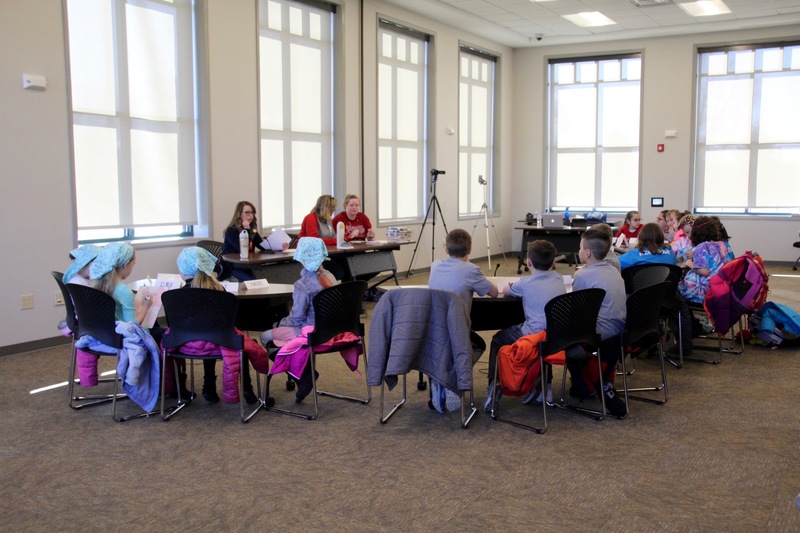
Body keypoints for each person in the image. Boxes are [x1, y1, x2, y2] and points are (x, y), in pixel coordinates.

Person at [485, 240, 565, 411]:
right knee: (544, 342)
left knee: (498, 340)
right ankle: (545, 388)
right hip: (556, 336)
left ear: (528, 263)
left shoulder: (525, 284)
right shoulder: (558, 279)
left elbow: (506, 290)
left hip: (531, 335)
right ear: (553, 262)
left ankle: (494, 387)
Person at [175, 246, 262, 404]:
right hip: (218, 342)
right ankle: (247, 388)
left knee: (205, 337)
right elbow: (227, 323)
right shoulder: (219, 290)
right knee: (237, 340)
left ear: (183, 270)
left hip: (188, 344)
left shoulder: (179, 295)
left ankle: (209, 385)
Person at [260, 237, 338, 402]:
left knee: (265, 337)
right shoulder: (330, 277)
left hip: (309, 332)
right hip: (331, 330)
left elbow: (296, 319)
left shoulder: (302, 285)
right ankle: (303, 373)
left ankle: (303, 376)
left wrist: (280, 323)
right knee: (280, 331)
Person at [429, 229, 498, 412]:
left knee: (449, 346)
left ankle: (439, 379)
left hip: (433, 332)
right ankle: (453, 378)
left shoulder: (435, 266)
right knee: (479, 345)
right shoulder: (471, 270)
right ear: (470, 249)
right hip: (458, 332)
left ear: (446, 249)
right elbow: (494, 293)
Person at [569, 226, 627, 417]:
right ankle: (590, 383)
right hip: (620, 331)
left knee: (557, 335)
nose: (578, 251)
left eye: (579, 248)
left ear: (587, 253)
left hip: (602, 333)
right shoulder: (613, 270)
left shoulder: (582, 275)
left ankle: (584, 386)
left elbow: (578, 312)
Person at [90, 242, 152, 325]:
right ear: (126, 265)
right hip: (123, 336)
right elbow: (132, 326)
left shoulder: (97, 285)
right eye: (133, 265)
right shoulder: (124, 291)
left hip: (105, 335)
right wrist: (145, 307)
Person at [221, 201, 268, 281]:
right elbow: (243, 250)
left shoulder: (252, 229)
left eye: (252, 213)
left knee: (267, 276)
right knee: (253, 280)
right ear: (239, 214)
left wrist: (278, 246)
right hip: (232, 266)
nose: (251, 215)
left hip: (247, 265)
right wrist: (247, 229)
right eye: (247, 213)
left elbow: (262, 245)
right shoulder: (232, 230)